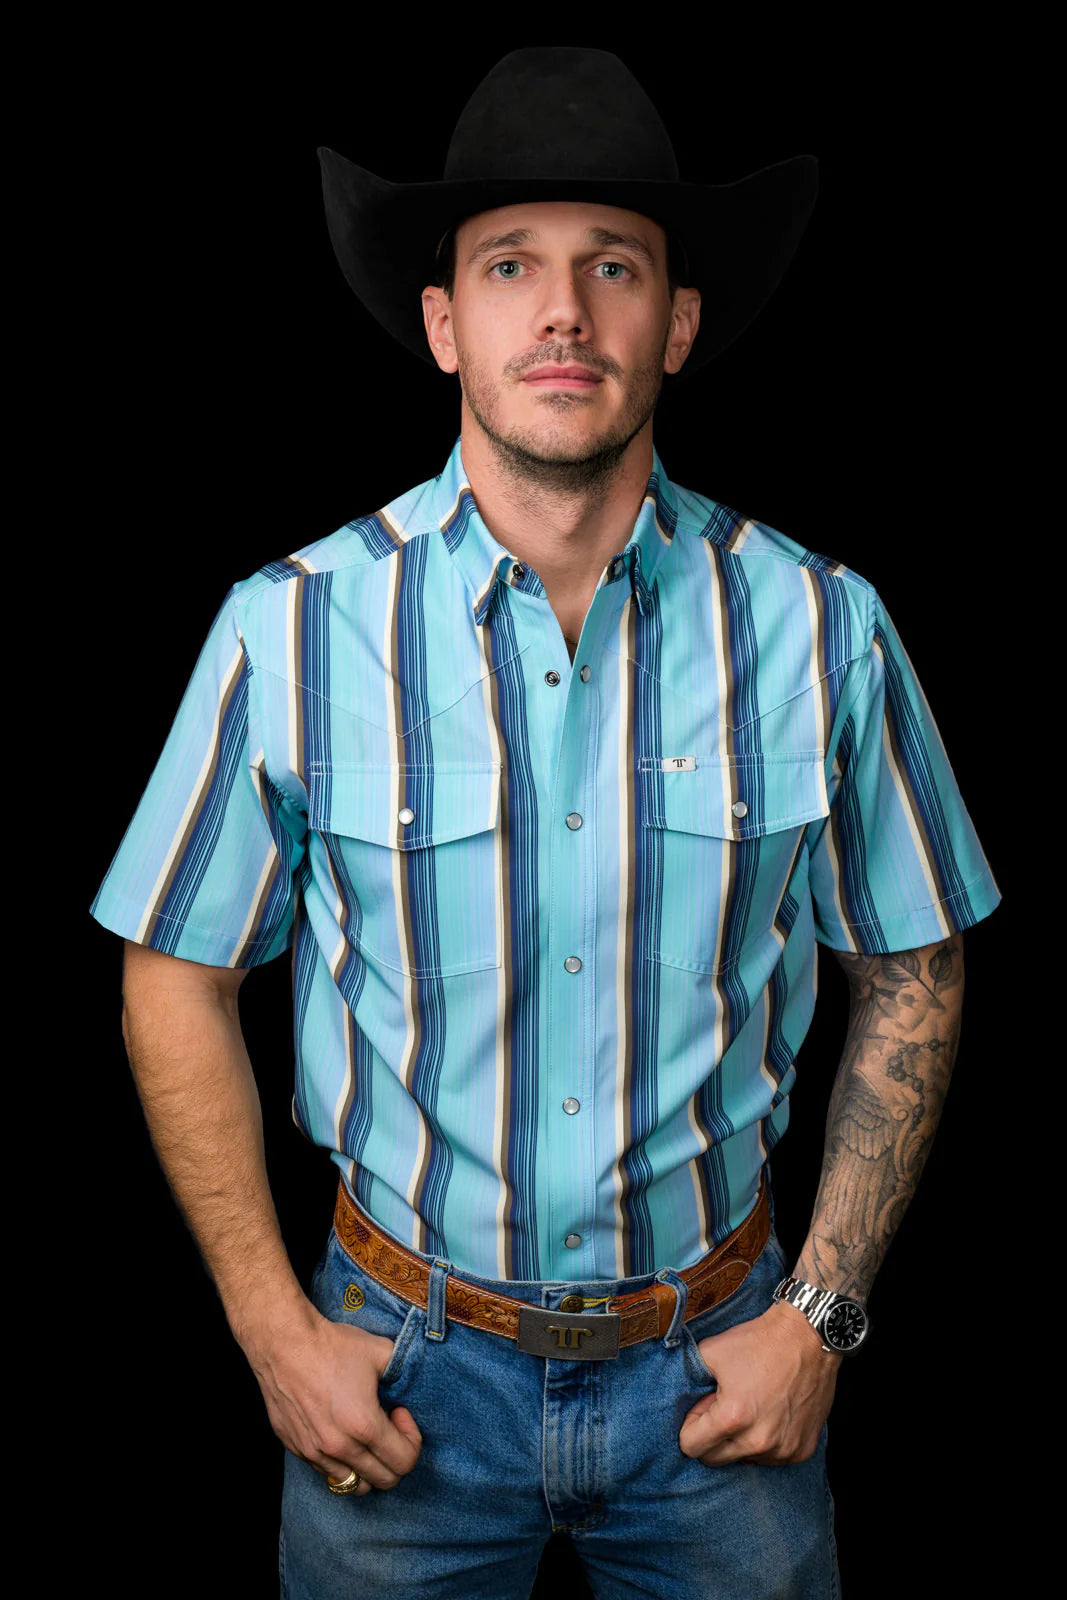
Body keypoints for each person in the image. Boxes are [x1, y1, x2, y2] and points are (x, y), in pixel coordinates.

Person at [91, 46, 1001, 1600]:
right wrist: (270, 1329)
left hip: (723, 1374)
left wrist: (824, 1316)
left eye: (613, 267)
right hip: (396, 1380)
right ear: (446, 324)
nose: (564, 312)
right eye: (510, 265)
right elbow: (174, 973)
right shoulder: (289, 631)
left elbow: (913, 968)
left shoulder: (824, 628)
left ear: (679, 324)